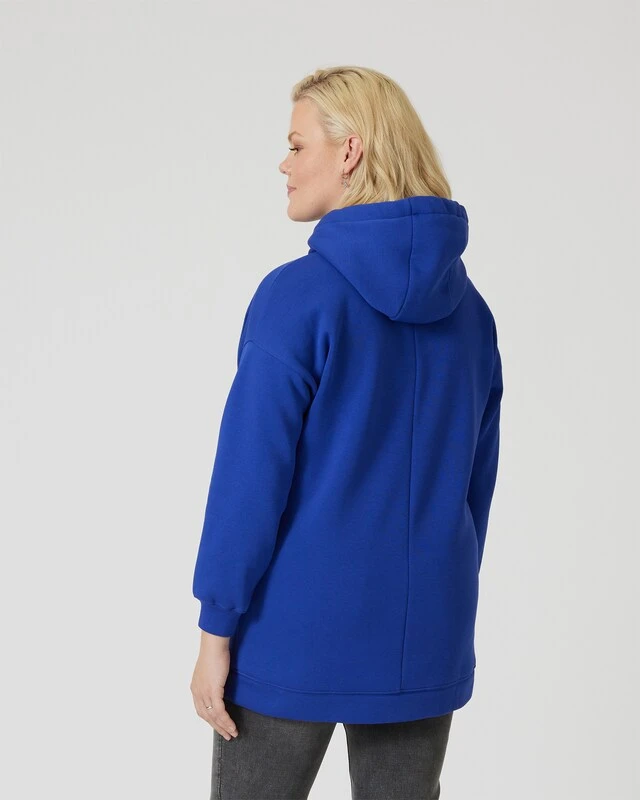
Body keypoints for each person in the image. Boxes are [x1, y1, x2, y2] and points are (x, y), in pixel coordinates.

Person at [190, 65, 503, 800]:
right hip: (424, 638)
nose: (284, 164)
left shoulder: (295, 298)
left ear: (350, 151)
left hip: (292, 636)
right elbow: (474, 486)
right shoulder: (472, 314)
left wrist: (215, 631)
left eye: (297, 145)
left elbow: (249, 480)